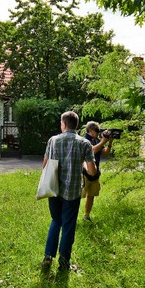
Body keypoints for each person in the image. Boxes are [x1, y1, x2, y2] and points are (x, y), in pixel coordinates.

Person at [41, 111, 96, 272]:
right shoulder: (84, 143)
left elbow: (45, 165)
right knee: (68, 226)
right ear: (76, 125)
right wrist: (83, 166)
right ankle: (64, 262)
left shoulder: (53, 140)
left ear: (64, 124)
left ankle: (48, 257)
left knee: (56, 221)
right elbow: (92, 172)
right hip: (72, 192)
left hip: (54, 188)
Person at [82, 121, 113, 221]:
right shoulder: (85, 139)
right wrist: (103, 141)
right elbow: (92, 151)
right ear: (90, 129)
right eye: (97, 130)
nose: (98, 133)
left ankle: (86, 216)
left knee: (91, 195)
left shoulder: (97, 140)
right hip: (85, 173)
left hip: (95, 173)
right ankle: (71, 215)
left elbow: (105, 153)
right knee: (79, 195)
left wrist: (110, 142)